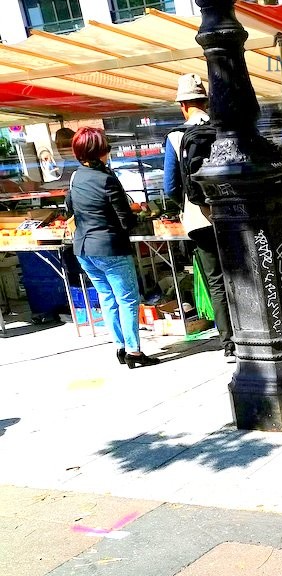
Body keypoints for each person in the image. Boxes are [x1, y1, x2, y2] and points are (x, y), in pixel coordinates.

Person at [66, 127, 159, 369]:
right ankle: (134, 352)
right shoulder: (107, 179)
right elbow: (125, 219)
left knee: (107, 298)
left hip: (83, 249)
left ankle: (120, 346)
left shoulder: (75, 177)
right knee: (127, 299)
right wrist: (141, 214)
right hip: (110, 248)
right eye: (106, 148)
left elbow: (71, 208)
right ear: (100, 152)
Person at [164, 73, 235, 363]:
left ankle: (229, 344)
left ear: (183, 105)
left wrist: (183, 205)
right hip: (232, 215)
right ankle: (252, 331)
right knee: (240, 274)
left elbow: (170, 186)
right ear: (205, 101)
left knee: (216, 281)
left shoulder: (175, 136)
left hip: (199, 219)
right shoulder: (223, 129)